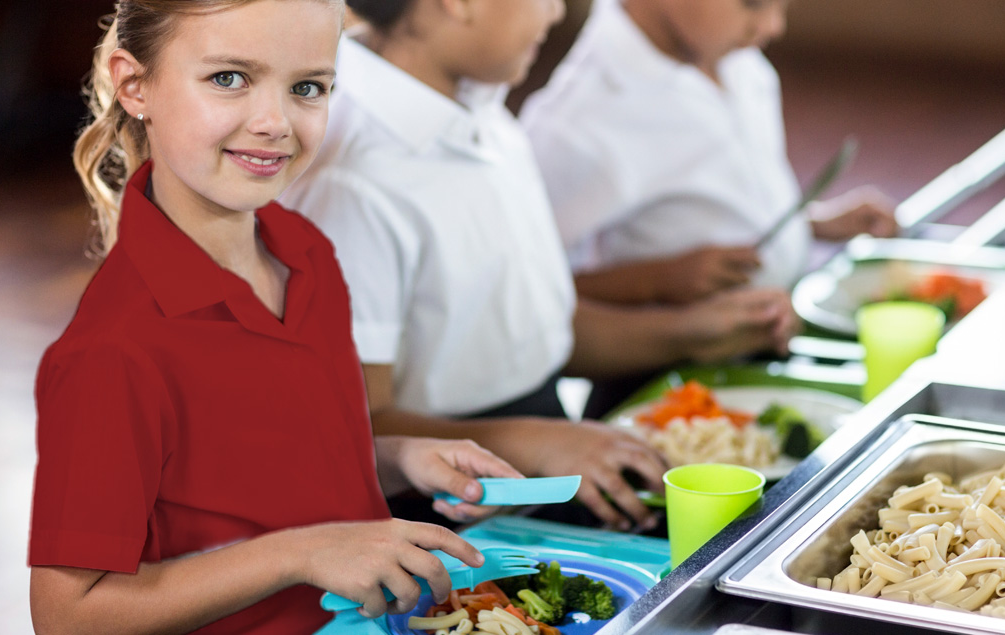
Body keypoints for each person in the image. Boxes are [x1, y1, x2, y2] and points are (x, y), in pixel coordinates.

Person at [28, 2, 522, 633]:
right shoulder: (114, 349)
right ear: (135, 85)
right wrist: (302, 552)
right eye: (228, 78)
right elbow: (68, 615)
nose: (274, 122)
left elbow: (269, 468)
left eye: (307, 88)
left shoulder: (305, 254)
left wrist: (400, 457)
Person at [280, 0, 799, 531]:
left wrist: (691, 332)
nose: (555, 13)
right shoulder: (353, 181)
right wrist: (543, 444)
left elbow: (539, 333)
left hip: (547, 452)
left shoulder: (482, 112)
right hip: (439, 513)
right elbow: (362, 426)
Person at [520, 0, 900, 303]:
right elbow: (532, 290)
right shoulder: (577, 124)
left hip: (765, 330)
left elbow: (720, 199)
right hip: (666, 376)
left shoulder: (738, 59)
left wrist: (812, 225)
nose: (773, 26)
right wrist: (656, 280)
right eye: (753, 3)